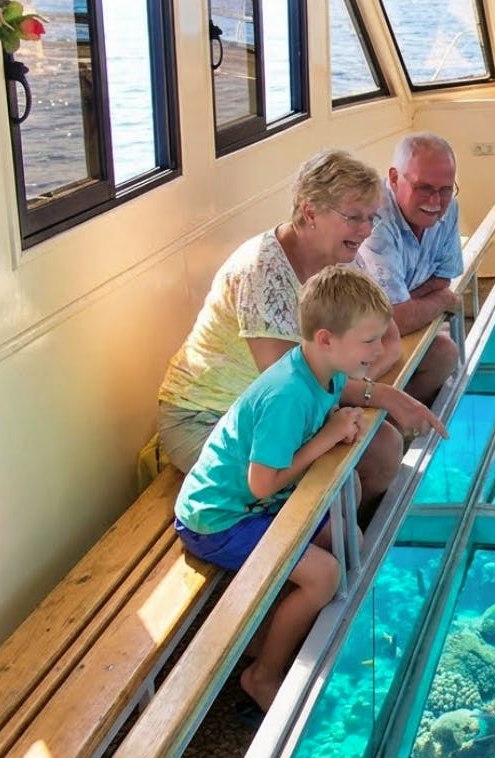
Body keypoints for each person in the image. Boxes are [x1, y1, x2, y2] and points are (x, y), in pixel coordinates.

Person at [149, 149, 446, 503]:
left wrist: (350, 387)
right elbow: (290, 381)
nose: (365, 231)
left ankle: (347, 543)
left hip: (283, 406)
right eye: (354, 217)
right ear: (310, 212)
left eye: (371, 218)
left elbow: (389, 339)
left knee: (382, 446)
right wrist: (377, 393)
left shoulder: (339, 260)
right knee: (339, 489)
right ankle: (323, 548)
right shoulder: (262, 270)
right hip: (210, 416)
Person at [172, 265, 391, 713]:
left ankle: (296, 639)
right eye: (369, 341)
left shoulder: (324, 372)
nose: (380, 349)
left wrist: (332, 430)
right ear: (327, 339)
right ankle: (262, 675)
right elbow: (260, 483)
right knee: (324, 574)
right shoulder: (287, 395)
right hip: (220, 517)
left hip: (257, 502)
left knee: (349, 540)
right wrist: (328, 437)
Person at [358, 132, 463, 406]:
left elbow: (444, 277)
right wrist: (444, 300)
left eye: (445, 189)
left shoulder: (448, 208)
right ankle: (380, 429)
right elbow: (398, 319)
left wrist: (408, 302)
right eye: (424, 188)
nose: (436, 201)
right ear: (394, 179)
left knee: (445, 355)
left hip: (383, 328)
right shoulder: (374, 223)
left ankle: (398, 426)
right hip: (353, 339)